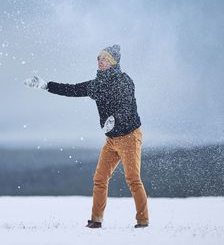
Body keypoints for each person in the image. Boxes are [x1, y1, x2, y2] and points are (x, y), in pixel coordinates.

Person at [24, 44, 149, 229]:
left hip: (130, 136)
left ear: (113, 62)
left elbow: (126, 105)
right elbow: (72, 89)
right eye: (99, 58)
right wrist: (46, 85)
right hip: (112, 139)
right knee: (100, 178)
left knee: (132, 178)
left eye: (104, 58)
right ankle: (96, 220)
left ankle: (143, 220)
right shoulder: (96, 85)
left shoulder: (124, 80)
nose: (100, 61)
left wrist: (114, 119)